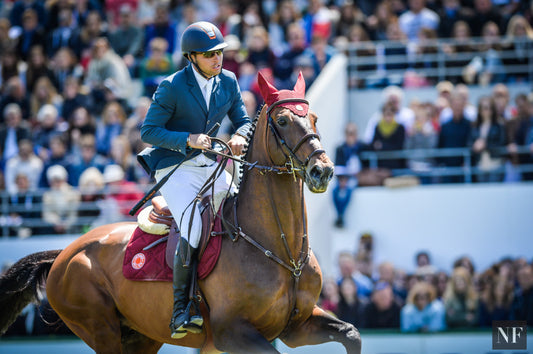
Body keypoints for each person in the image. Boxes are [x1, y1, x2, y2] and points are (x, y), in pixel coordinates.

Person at [139, 21, 251, 339]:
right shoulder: (172, 86)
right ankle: (181, 310)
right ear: (191, 57)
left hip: (207, 162)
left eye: (219, 53)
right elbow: (148, 132)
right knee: (193, 225)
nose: (218, 60)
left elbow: (243, 120)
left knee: (236, 211)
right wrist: (188, 139)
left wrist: (241, 136)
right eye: (209, 55)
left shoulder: (228, 81)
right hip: (174, 165)